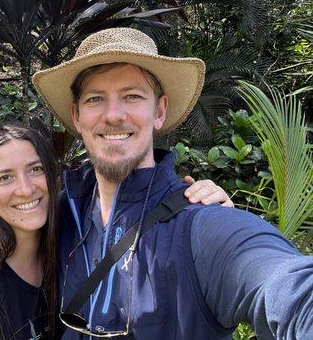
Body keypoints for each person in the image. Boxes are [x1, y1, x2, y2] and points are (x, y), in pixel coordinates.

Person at [32, 27, 312, 339]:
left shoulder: (201, 226)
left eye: (132, 96)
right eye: (95, 99)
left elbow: (286, 286)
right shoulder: (58, 215)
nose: (113, 115)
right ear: (77, 117)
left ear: (160, 111)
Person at [0, 122, 232, 340]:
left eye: (35, 169)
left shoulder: (74, 234)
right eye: (5, 178)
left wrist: (206, 207)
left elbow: (132, 203)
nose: (25, 189)